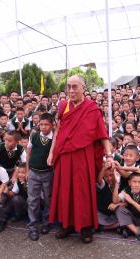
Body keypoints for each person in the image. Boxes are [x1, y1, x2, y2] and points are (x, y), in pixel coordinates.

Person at [48, 75, 112, 244]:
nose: (71, 90)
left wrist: (109, 155)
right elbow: (58, 131)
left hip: (83, 157)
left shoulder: (92, 108)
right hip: (63, 156)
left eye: (75, 86)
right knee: (64, 190)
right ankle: (67, 224)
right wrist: (51, 152)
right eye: (68, 87)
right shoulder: (63, 106)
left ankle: (85, 228)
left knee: (82, 191)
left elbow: (102, 134)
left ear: (83, 88)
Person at [27, 113, 54, 241]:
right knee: (33, 200)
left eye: (46, 124)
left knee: (48, 199)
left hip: (48, 173)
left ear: (52, 125)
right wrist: (27, 171)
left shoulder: (54, 138)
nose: (43, 127)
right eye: (41, 124)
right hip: (33, 172)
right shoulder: (34, 136)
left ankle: (46, 223)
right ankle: (32, 227)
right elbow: (29, 153)